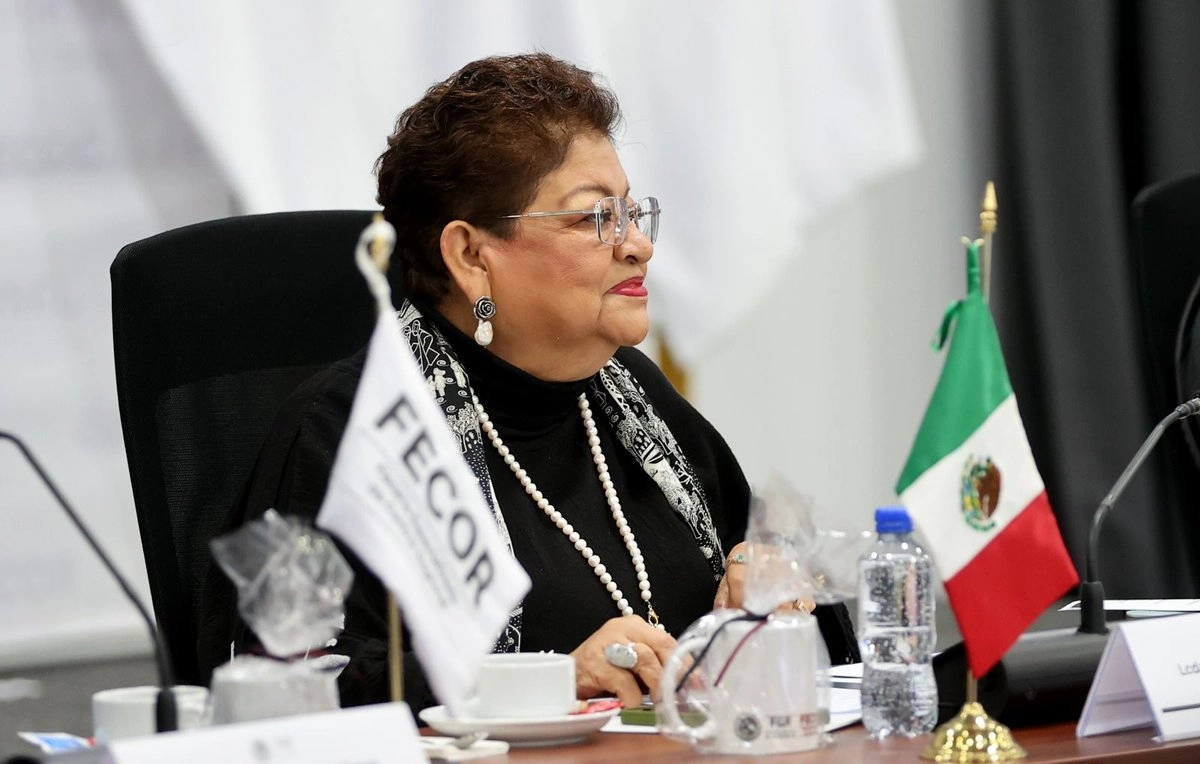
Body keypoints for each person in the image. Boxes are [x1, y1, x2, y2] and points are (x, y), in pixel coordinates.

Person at [198, 52, 858, 712]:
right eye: (595, 218)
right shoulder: (355, 431)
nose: (638, 245)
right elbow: (295, 682)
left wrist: (763, 573)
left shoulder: (634, 397)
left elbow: (782, 580)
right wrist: (548, 682)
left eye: (632, 214)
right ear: (470, 255)